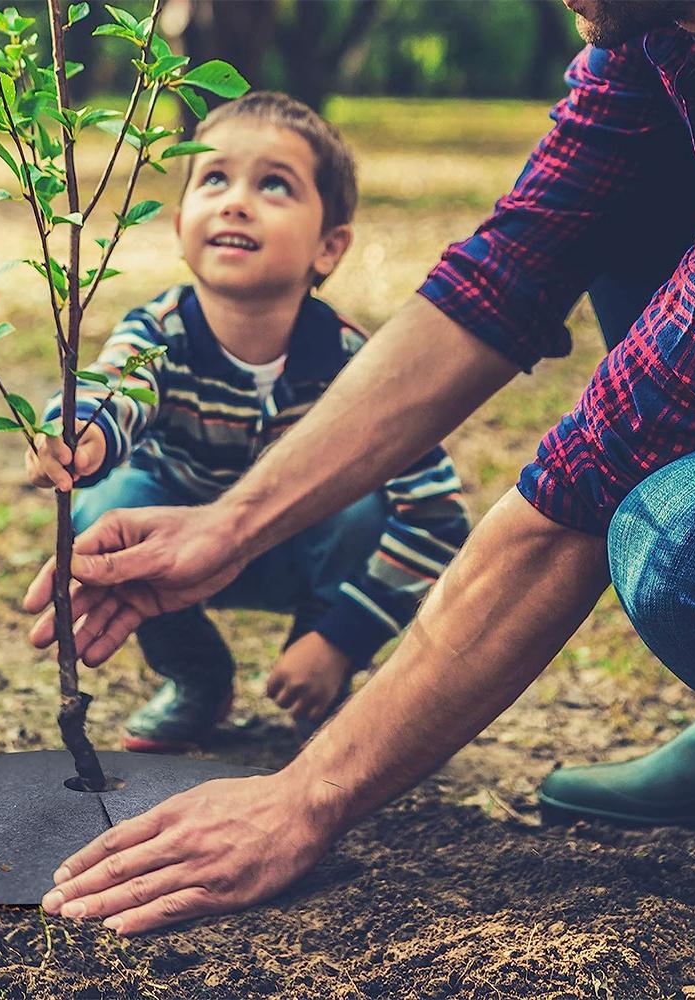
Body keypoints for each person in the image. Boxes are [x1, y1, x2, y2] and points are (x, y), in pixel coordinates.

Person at [28, 0, 695, 935]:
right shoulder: (653, 32)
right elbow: (512, 269)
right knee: (629, 199)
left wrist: (308, 793)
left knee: (692, 548)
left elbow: (604, 467)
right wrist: (229, 526)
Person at [24, 91, 470, 751]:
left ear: (329, 246)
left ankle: (316, 672)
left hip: (302, 553)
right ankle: (198, 677)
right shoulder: (160, 331)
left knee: (365, 508)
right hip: (167, 552)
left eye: (273, 185)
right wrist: (79, 430)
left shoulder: (355, 364)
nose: (236, 200)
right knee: (105, 507)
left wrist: (340, 640)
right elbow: (120, 385)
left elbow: (438, 517)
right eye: (214, 179)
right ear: (179, 227)